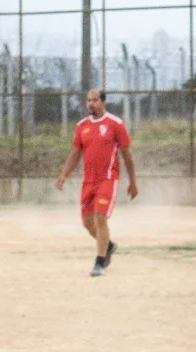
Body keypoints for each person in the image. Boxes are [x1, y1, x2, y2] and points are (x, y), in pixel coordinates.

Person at [55, 89, 139, 277]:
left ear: (103, 102)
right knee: (87, 222)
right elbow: (75, 154)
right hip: (89, 181)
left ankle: (100, 263)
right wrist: (64, 175)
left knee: (100, 218)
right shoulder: (81, 126)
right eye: (88, 100)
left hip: (108, 179)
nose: (91, 104)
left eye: (95, 100)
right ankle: (108, 246)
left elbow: (127, 156)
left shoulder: (115, 124)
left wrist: (133, 182)